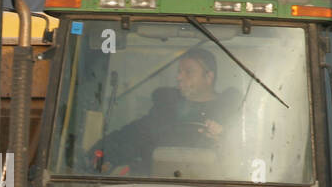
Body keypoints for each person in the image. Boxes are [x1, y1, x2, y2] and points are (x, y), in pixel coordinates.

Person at [92, 47, 235, 172]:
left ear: (209, 77)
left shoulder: (234, 113)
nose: (179, 77)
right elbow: (132, 137)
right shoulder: (164, 110)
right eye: (179, 72)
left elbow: (245, 153)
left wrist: (224, 139)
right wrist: (100, 154)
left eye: (188, 72)